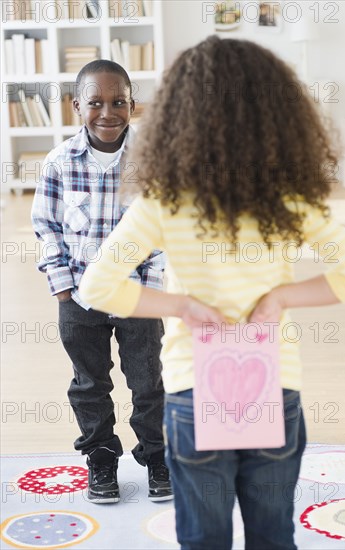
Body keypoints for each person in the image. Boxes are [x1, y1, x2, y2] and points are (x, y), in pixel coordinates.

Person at [79, 37, 345, 549]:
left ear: (178, 116)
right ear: (278, 116)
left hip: (195, 392)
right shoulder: (289, 201)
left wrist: (182, 307)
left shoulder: (163, 203)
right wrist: (280, 298)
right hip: (272, 386)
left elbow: (97, 285)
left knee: (202, 538)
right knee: (272, 536)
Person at [31, 60, 172, 504]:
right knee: (90, 384)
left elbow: (164, 230)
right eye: (96, 102)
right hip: (78, 297)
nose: (107, 112)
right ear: (78, 106)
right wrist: (60, 283)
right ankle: (101, 457)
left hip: (137, 296)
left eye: (118, 102)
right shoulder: (58, 163)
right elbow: (45, 226)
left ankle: (157, 457)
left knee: (147, 382)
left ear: (134, 105)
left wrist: (149, 290)